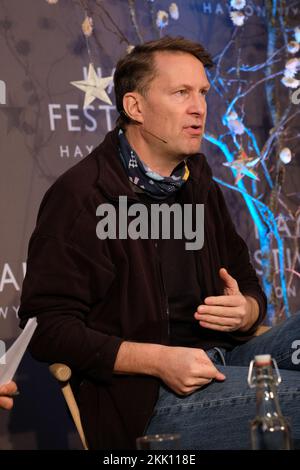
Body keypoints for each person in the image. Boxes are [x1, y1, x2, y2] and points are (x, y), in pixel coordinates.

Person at [19, 36, 300, 450]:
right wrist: (156, 359)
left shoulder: (197, 179)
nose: (199, 107)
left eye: (202, 92)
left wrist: (246, 310)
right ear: (135, 107)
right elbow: (47, 328)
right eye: (181, 93)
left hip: (225, 360)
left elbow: (248, 284)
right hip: (147, 402)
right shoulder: (83, 196)